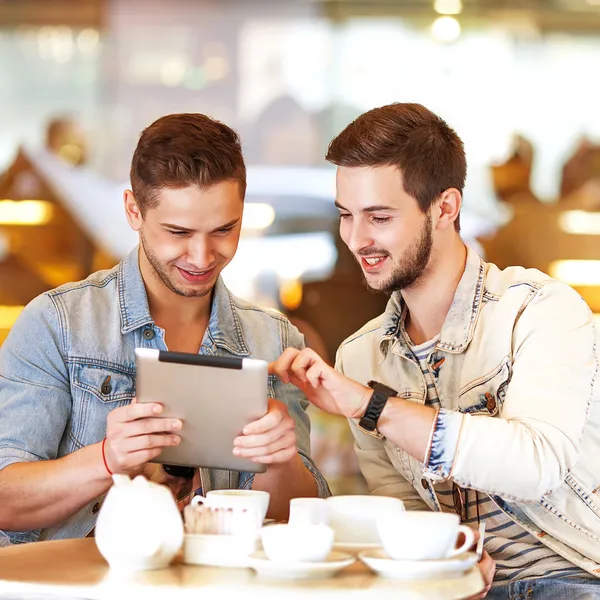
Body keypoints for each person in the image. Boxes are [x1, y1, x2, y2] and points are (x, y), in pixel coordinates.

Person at [270, 103, 600, 599]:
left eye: (379, 217)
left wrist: (369, 406)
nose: (358, 240)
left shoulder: (540, 310)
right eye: (346, 217)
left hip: (574, 577)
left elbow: (535, 464)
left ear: (444, 207)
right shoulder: (361, 357)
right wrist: (444, 558)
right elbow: (406, 510)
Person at [0, 113, 329, 546]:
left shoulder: (273, 339)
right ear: (133, 211)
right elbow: (7, 500)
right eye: (178, 231)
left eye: (224, 230)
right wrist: (107, 458)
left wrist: (281, 460)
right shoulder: (57, 323)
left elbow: (295, 521)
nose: (202, 256)